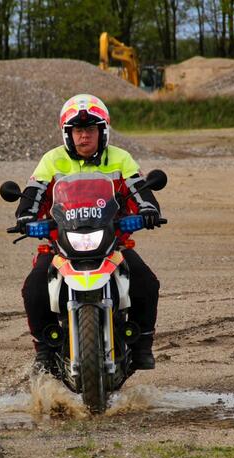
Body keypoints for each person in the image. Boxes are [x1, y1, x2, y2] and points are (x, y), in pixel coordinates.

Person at [14, 93, 162, 372]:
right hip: (61, 244)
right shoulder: (52, 160)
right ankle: (44, 350)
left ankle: (142, 345)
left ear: (102, 131)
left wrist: (148, 210)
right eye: (78, 130)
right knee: (34, 287)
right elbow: (34, 194)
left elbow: (139, 190)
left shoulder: (120, 158)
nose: (84, 136)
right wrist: (25, 216)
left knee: (146, 281)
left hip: (113, 242)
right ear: (67, 134)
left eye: (90, 129)